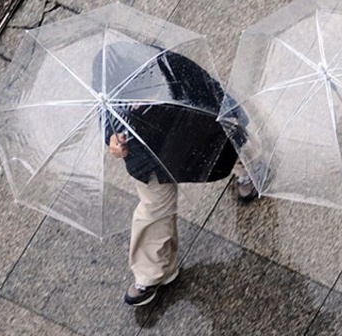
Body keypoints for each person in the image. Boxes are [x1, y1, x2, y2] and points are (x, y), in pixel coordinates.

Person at [98, 42, 256, 306]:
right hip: (145, 154)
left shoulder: (167, 63)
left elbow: (210, 97)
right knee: (153, 208)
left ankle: (249, 169)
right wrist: (112, 138)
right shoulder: (105, 67)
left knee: (223, 149)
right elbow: (104, 115)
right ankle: (152, 273)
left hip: (188, 128)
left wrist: (233, 117)